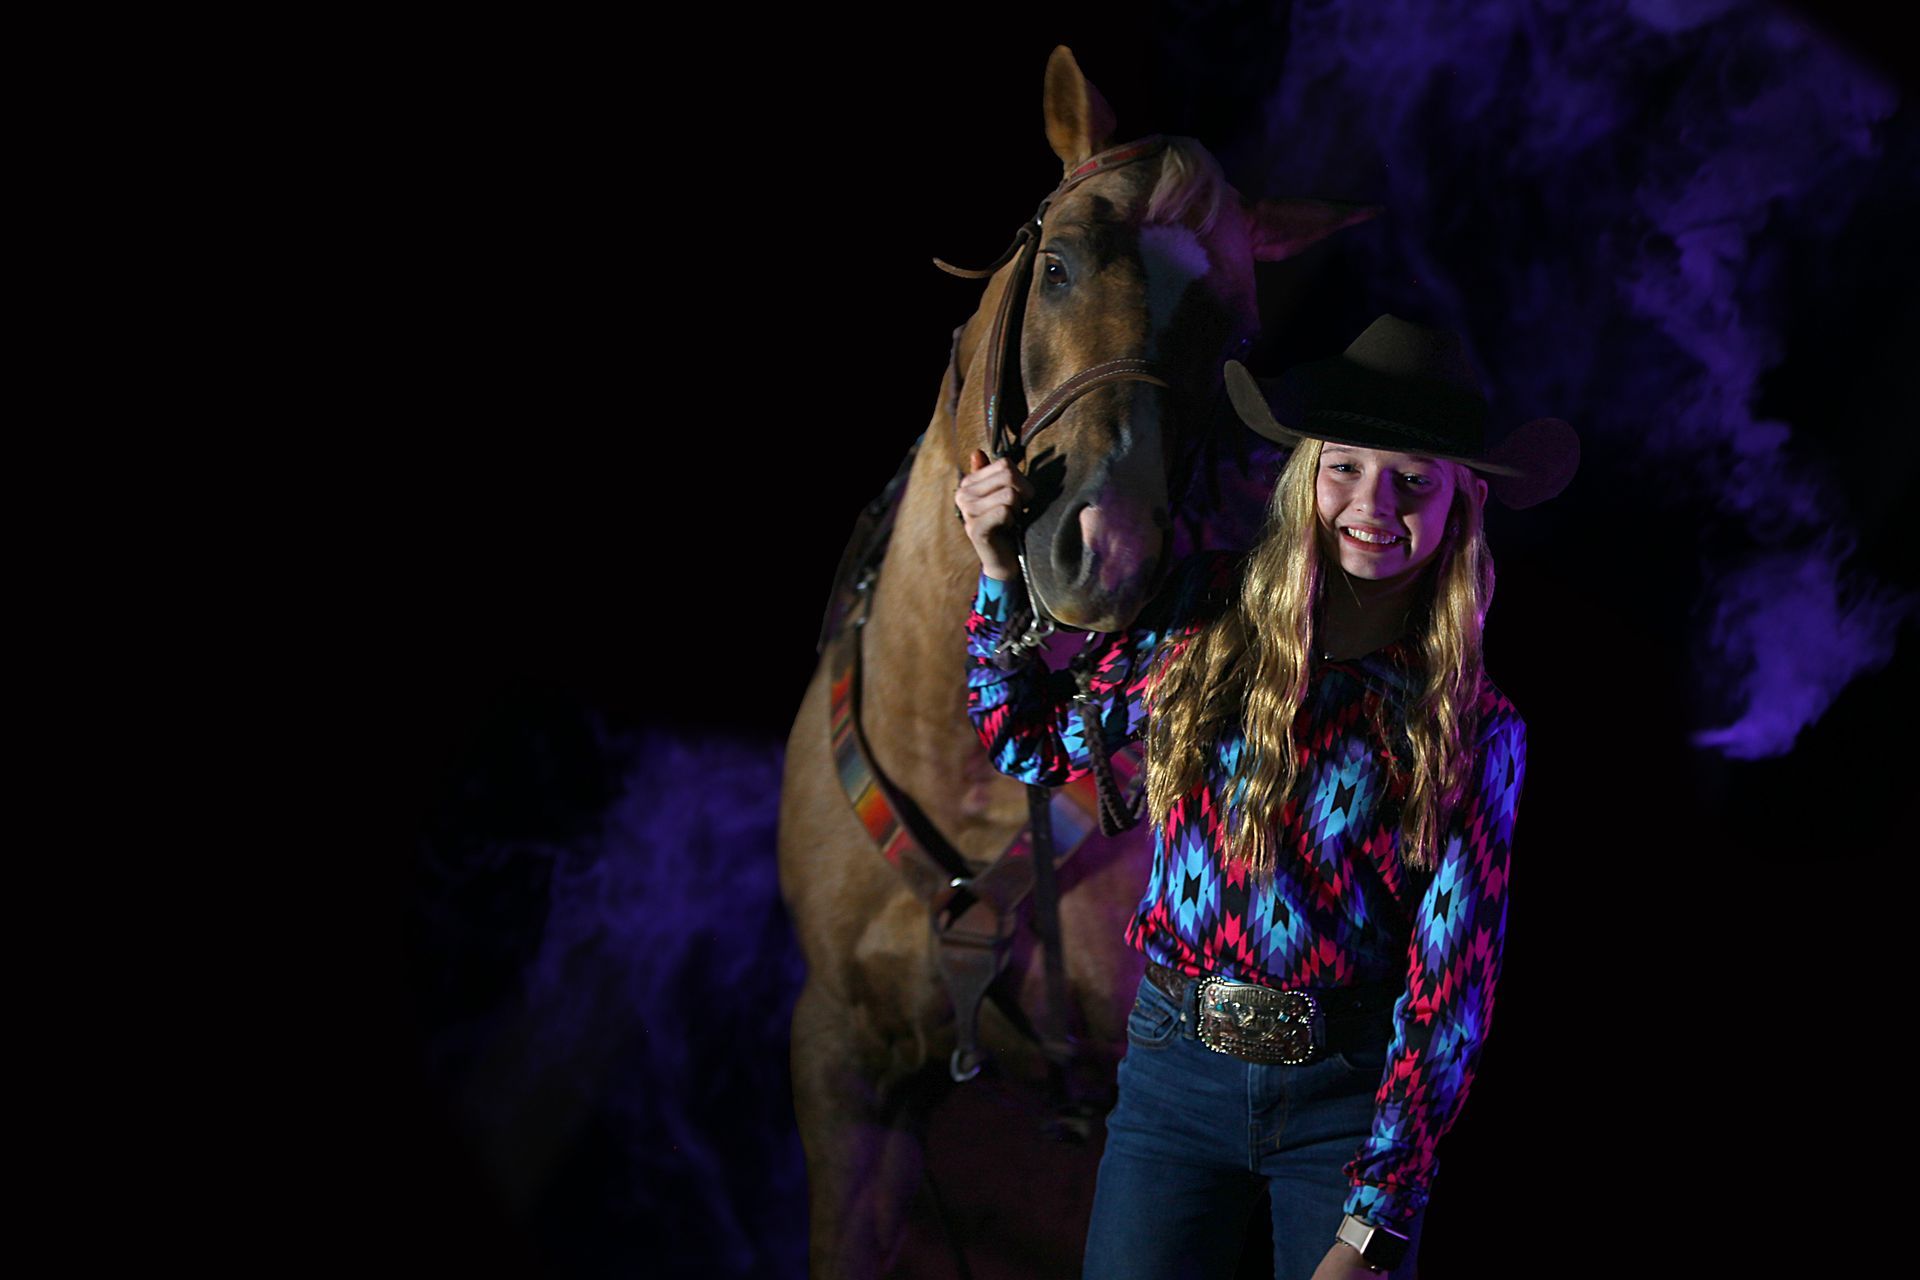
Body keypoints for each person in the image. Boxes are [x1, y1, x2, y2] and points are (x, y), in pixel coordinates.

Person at [951, 315, 1577, 1280]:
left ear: (1459, 505)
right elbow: (1030, 743)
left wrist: (1374, 1221)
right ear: (1304, 477)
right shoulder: (1202, 617)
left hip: (1348, 1100)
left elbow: (1450, 994)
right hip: (1173, 1071)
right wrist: (997, 569)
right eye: (1346, 467)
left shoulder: (1474, 727)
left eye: (1413, 479)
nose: (1374, 501)